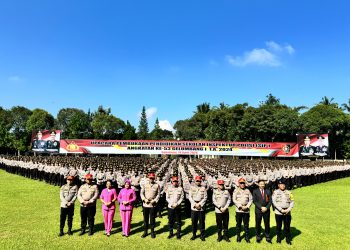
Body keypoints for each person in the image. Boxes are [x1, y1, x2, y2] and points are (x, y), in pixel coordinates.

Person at [272, 178, 295, 245]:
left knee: (287, 226)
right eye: (281, 184)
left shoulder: (289, 192)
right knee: (278, 226)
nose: (282, 186)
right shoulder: (275, 192)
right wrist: (281, 210)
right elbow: (274, 202)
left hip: (287, 212)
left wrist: (288, 209)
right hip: (279, 212)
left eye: (283, 184)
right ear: (278, 185)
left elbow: (292, 201)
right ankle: (278, 239)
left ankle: (288, 239)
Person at [232, 177, 253, 243]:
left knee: (246, 224)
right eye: (241, 183)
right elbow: (234, 199)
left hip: (246, 210)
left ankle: (247, 237)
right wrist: (240, 206)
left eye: (243, 183)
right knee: (238, 224)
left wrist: (247, 206)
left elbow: (251, 199)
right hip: (239, 210)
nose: (242, 184)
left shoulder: (248, 190)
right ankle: (238, 237)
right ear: (239, 184)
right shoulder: (236, 190)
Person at [140, 172, 160, 238]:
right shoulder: (145, 184)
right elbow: (141, 193)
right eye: (150, 178)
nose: (151, 179)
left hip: (152, 205)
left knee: (152, 219)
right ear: (149, 178)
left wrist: (155, 200)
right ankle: (145, 232)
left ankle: (152, 231)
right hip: (145, 204)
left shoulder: (157, 185)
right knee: (145, 219)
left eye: (152, 178)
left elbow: (158, 194)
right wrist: (144, 199)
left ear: (154, 178)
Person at [252, 178, 272, 243]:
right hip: (258, 210)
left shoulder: (268, 191)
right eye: (261, 184)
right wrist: (261, 207)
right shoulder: (255, 191)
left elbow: (270, 201)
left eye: (263, 184)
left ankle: (268, 237)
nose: (262, 185)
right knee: (258, 224)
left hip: (266, 210)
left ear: (264, 184)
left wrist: (266, 207)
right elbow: (254, 201)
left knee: (267, 224)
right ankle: (258, 237)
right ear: (258, 184)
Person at [189, 175, 207, 241]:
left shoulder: (203, 188)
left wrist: (199, 204)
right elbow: (190, 197)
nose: (198, 182)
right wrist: (195, 204)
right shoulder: (191, 188)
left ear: (201, 181)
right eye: (197, 181)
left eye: (199, 181)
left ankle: (202, 235)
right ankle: (194, 234)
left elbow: (205, 197)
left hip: (201, 207)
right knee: (194, 222)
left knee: (202, 222)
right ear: (195, 181)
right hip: (194, 207)